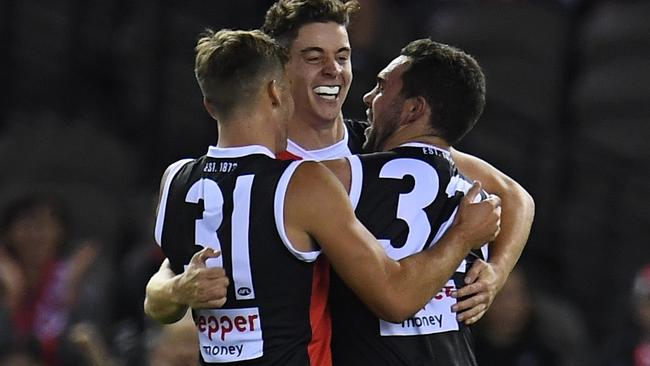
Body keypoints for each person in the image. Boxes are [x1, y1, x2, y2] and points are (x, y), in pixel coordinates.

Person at [145, 0, 535, 364]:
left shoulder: (375, 147)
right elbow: (167, 278)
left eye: (342, 56)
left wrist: (496, 274)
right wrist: (179, 289)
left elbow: (515, 197)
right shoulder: (265, 170)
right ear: (278, 74)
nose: (333, 70)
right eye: (314, 57)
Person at [325, 38, 534, 365]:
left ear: (413, 109)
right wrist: (496, 270)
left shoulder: (344, 172)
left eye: (381, 87)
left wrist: (491, 268)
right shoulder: (464, 180)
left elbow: (396, 302)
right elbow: (519, 197)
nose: (368, 97)